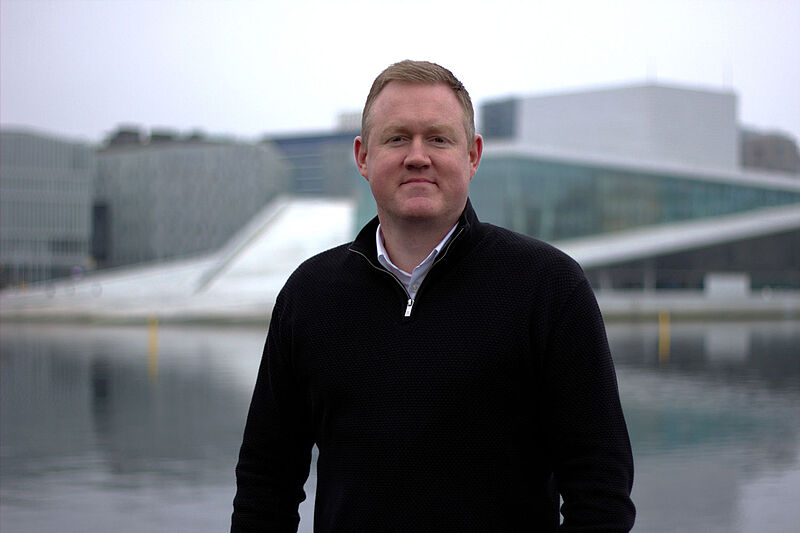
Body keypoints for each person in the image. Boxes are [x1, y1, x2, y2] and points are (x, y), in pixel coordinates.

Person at [232, 60, 635, 532]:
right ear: (363, 156)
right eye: (397, 138)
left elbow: (601, 493)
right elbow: (266, 483)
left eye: (438, 139)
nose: (417, 156)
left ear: (473, 155)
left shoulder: (549, 287)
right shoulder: (309, 295)